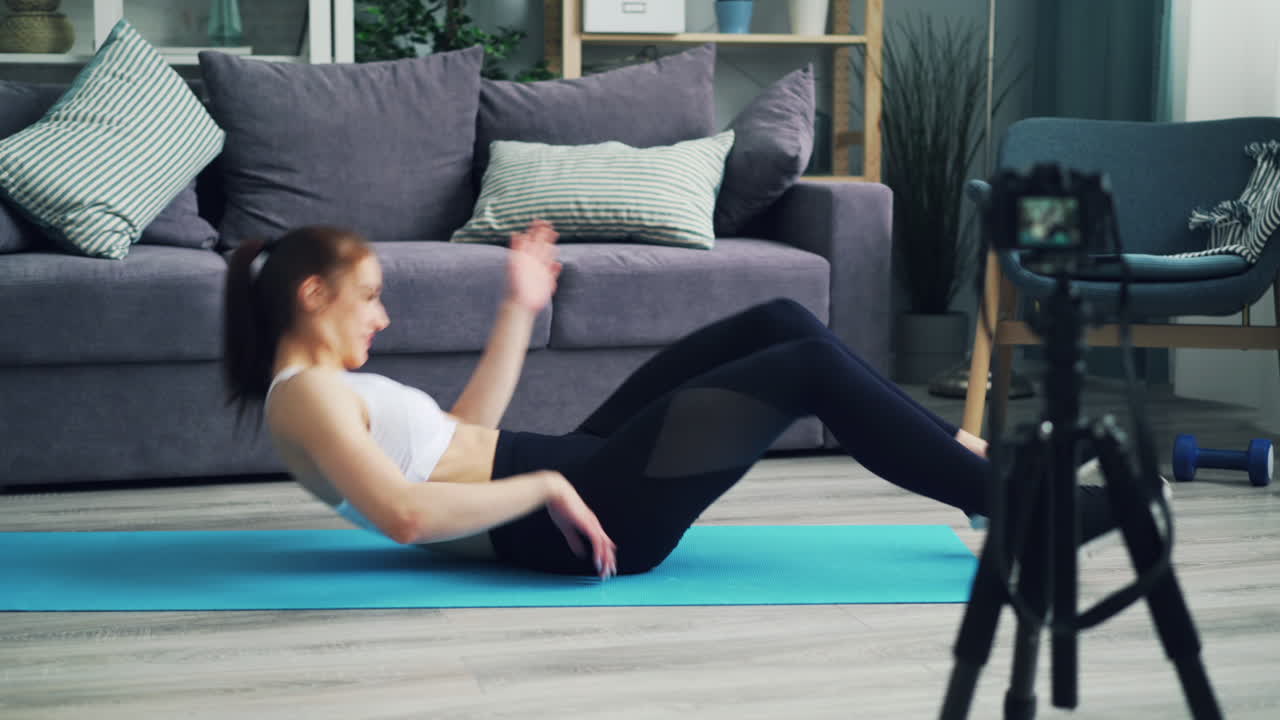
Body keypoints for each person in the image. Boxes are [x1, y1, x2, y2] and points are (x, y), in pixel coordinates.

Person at [222, 222, 1120, 582]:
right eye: (369, 294)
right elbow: (409, 516)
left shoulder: (329, 390)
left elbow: (466, 436)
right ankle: (1020, 505)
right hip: (591, 517)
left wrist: (517, 307)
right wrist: (546, 488)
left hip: (579, 474)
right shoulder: (302, 399)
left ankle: (985, 483)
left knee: (776, 318)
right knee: (804, 362)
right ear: (312, 297)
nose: (381, 313)